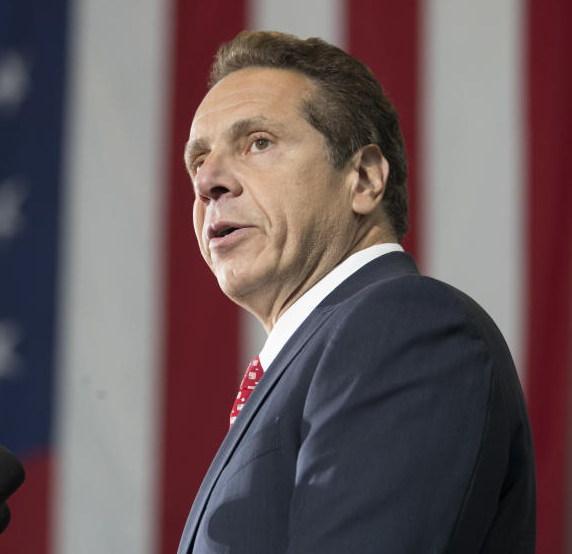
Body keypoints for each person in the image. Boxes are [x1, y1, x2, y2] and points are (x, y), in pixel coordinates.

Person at [177, 31, 535, 553]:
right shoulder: (309, 363)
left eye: (258, 142)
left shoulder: (404, 328)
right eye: (198, 160)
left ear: (364, 178)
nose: (209, 180)